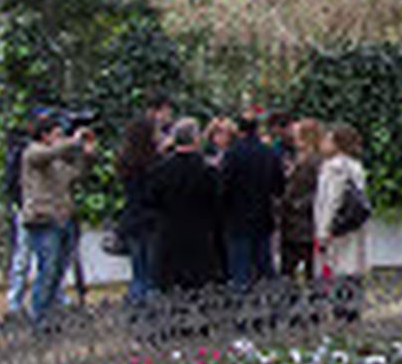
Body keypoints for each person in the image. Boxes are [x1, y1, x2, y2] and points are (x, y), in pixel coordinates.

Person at [19, 115, 96, 323]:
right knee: (48, 270)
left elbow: (76, 175)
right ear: (44, 136)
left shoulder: (58, 160)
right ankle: (39, 318)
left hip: (63, 218)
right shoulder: (33, 152)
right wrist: (75, 140)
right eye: (58, 134)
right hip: (43, 219)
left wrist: (86, 155)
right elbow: (50, 153)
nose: (62, 139)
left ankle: (52, 314)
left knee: (58, 272)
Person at [145, 119, 222, 291]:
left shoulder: (160, 169)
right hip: (200, 240)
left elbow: (151, 201)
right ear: (196, 139)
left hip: (169, 239)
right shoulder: (208, 171)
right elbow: (218, 203)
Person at [218, 115, 284, 286]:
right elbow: (279, 187)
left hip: (236, 218)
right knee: (264, 267)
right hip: (263, 216)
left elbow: (223, 187)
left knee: (240, 271)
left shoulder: (231, 154)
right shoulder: (269, 153)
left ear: (239, 131)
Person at [115, 118, 162, 303]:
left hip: (132, 220)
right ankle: (148, 318)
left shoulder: (125, 161)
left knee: (138, 272)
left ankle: (134, 311)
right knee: (151, 275)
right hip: (150, 221)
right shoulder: (155, 162)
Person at [314, 123, 370, 278]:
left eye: (327, 140)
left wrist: (323, 231)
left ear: (337, 144)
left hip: (336, 227)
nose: (323, 143)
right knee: (352, 266)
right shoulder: (355, 165)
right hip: (352, 223)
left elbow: (330, 201)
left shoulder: (334, 167)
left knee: (336, 267)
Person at [279, 118, 324, 281]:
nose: (292, 136)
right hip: (295, 223)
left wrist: (295, 204)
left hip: (303, 224)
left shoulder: (314, 161)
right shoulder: (300, 158)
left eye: (297, 133)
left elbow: (317, 191)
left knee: (303, 268)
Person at [5, 118, 37, 315]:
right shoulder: (23, 151)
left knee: (49, 258)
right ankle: (14, 302)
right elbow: (12, 182)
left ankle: (54, 298)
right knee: (22, 258)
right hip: (27, 209)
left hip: (40, 209)